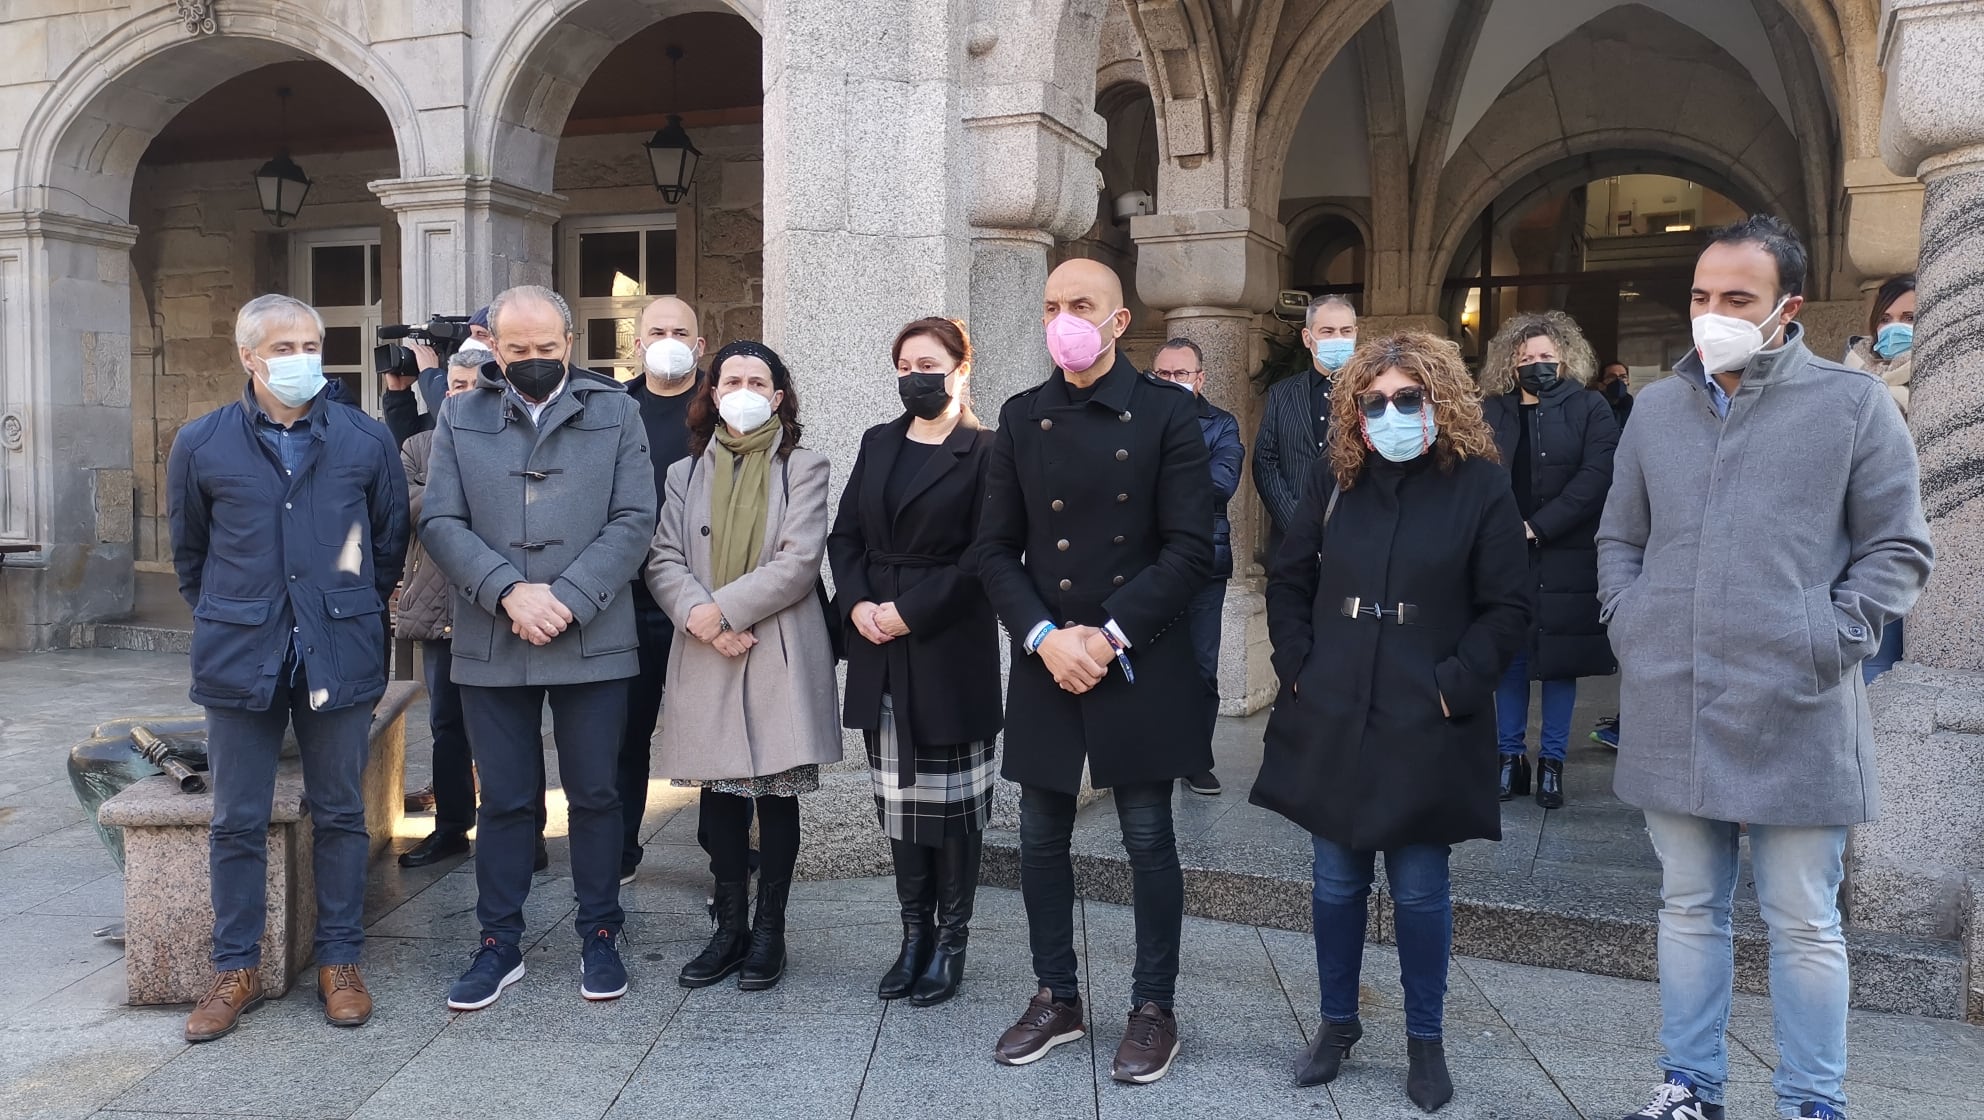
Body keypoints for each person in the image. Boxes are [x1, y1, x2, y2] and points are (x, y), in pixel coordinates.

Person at [1600, 215, 1932, 1120]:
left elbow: (1899, 547)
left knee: (1805, 922)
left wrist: (1831, 638)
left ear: (1786, 308)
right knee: (1687, 907)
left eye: (1736, 299)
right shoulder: (1659, 408)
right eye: (1702, 297)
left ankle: (1812, 1102)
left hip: (1800, 701)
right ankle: (1691, 1084)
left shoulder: (1852, 405)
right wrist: (1633, 623)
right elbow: (1620, 535)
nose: (1713, 315)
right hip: (1674, 696)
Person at [1255, 331, 1529, 1113]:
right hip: (1336, 699)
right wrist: (1297, 666)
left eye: (1408, 399)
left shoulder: (1480, 485)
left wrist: (1455, 685)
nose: (1391, 414)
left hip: (1426, 708)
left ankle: (1425, 1040)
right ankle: (1338, 1025)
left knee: (1417, 886)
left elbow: (1509, 605)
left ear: (1440, 400)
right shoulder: (1335, 477)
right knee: (1335, 881)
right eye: (1374, 402)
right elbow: (1288, 577)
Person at [973, 258, 1214, 1085]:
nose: (1063, 318)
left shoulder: (1168, 416)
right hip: (1047, 653)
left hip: (1135, 651)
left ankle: (1153, 1007)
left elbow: (1190, 548)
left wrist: (1107, 637)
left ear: (1118, 321)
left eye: (1082, 304)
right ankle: (1056, 996)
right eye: (1051, 305)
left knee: (1149, 836)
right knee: (1039, 836)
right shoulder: (1019, 415)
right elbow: (993, 548)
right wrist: (1044, 636)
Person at [166, 294, 410, 1042]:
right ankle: (234, 966)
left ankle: (340, 959)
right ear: (249, 357)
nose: (303, 357)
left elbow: (388, 545)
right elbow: (190, 556)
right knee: (237, 818)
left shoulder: (365, 441)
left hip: (338, 647)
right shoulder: (202, 443)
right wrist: (241, 609)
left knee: (339, 812)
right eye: (285, 346)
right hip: (244, 652)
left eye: (312, 342)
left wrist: (344, 608)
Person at [420, 285, 657, 1011]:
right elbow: (439, 519)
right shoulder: (459, 415)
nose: (531, 361)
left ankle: (600, 933)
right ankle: (498, 942)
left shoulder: (617, 410)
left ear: (570, 340)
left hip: (592, 630)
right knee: (508, 801)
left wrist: (567, 596)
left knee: (595, 793)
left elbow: (635, 517)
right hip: (495, 632)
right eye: (516, 350)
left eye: (546, 349)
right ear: (491, 343)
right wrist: (508, 592)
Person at [645, 340, 839, 993]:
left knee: (776, 802)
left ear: (779, 395)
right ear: (715, 391)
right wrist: (701, 619)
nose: (746, 389)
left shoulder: (805, 467)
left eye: (759, 380)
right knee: (717, 808)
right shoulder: (683, 473)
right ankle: (727, 930)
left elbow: (798, 561)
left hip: (775, 646)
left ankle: (769, 932)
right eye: (733, 379)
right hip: (706, 650)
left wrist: (721, 612)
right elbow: (663, 557)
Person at [828, 316, 1001, 1007]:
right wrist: (860, 606)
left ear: (961, 367)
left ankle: (952, 940)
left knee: (954, 809)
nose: (914, 377)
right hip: (879, 643)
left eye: (927, 364)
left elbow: (986, 554)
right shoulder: (878, 443)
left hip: (946, 644)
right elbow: (845, 536)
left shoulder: (987, 450)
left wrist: (910, 611)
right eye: (903, 366)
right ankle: (913, 937)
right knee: (900, 805)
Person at [393, 352, 550, 872]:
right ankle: (452, 827)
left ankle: (527, 831)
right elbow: (411, 509)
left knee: (515, 726)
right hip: (440, 608)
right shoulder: (418, 446)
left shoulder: (513, 441)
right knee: (447, 726)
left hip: (500, 607)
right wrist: (455, 474)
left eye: (469, 384)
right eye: (452, 384)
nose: (459, 393)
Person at [1478, 311, 1619, 808]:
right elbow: (1476, 472)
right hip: (1504, 552)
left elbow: (1597, 475)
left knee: (1560, 662)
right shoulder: (1491, 409)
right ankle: (1508, 758)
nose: (1536, 364)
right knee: (1509, 658)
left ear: (1564, 359)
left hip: (1567, 553)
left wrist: (1538, 526)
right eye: (1526, 357)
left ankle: (1552, 763)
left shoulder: (1590, 407)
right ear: (1510, 362)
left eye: (1545, 357)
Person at [616, 295, 708, 885]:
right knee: (624, 731)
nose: (668, 340)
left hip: (702, 597)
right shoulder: (611, 408)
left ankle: (723, 848)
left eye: (681, 331)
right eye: (657, 330)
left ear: (699, 345)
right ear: (638, 342)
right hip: (627, 596)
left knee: (712, 728)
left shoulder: (725, 407)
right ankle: (620, 848)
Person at [1151, 337, 1244, 797]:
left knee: (1201, 666)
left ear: (1199, 378)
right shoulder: (1136, 423)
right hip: (1147, 561)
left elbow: (1221, 485)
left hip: (1205, 564)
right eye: (1162, 375)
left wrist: (1156, 474)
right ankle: (1151, 754)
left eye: (1180, 375)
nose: (1171, 382)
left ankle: (1195, 759)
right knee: (1146, 662)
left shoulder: (1221, 425)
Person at [1844, 273, 1917, 683]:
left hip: (1920, 531)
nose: (1893, 328)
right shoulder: (1853, 376)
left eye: (1908, 316)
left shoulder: (1946, 380)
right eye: (1885, 318)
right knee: (1869, 658)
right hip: (1862, 539)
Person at [1254, 296, 1356, 557]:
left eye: (1345, 331)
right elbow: (1265, 461)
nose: (1338, 338)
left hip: (1354, 537)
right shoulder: (1282, 393)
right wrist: (1296, 522)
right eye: (1327, 331)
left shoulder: (1371, 394)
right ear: (1308, 338)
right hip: (1290, 541)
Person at [1596, 359, 1634, 430]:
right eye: (1611, 377)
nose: (1618, 381)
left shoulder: (1634, 409)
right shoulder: (1593, 410)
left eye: (1623, 377)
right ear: (1600, 385)